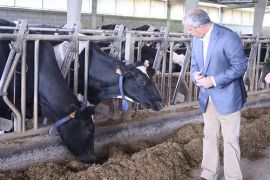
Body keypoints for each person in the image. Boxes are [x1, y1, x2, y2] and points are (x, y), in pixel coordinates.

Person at [183, 9, 248, 180]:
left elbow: (240, 66)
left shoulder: (228, 37)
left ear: (199, 26)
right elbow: (195, 65)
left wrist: (214, 80)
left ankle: (233, 177)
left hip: (228, 96)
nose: (188, 32)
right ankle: (208, 173)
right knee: (209, 136)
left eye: (190, 29)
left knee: (230, 140)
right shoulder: (196, 40)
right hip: (207, 97)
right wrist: (194, 76)